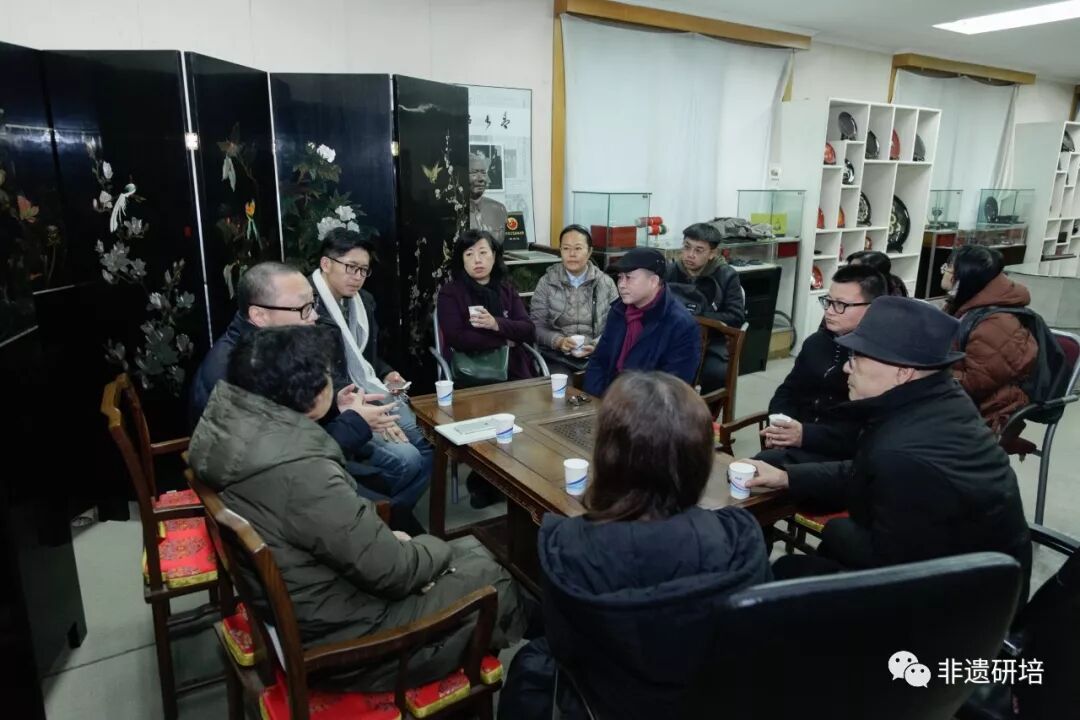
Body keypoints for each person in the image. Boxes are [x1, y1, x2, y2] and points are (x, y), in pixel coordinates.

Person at [188, 325, 527, 692]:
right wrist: (431, 545)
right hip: (350, 645)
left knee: (448, 560)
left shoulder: (234, 436)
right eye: (327, 374)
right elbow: (396, 571)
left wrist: (398, 545)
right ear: (313, 395)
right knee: (493, 576)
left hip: (310, 604)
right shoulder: (301, 473)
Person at [498, 372, 771, 720]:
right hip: (709, 700)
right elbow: (753, 639)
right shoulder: (741, 537)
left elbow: (565, 648)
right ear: (702, 459)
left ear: (606, 457)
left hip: (604, 702)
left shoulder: (563, 545)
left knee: (531, 660)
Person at [740, 297, 1032, 592]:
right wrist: (786, 477)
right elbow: (864, 471)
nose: (846, 368)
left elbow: (890, 567)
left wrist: (834, 530)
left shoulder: (902, 449)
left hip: (957, 599)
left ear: (903, 371)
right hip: (976, 572)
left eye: (857, 358)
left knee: (784, 576)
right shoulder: (941, 398)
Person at [188, 262, 417, 528]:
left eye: (313, 304)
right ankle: (385, 525)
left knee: (406, 463)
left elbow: (291, 427)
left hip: (281, 469)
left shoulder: (262, 350)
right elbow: (292, 463)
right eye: (303, 308)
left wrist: (336, 406)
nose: (314, 316)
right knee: (405, 466)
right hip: (273, 497)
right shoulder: (239, 371)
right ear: (259, 315)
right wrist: (354, 422)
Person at [311, 229, 433, 530]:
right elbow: (318, 377)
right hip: (334, 411)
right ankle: (379, 518)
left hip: (368, 391)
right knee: (409, 459)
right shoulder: (307, 308)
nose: (358, 277)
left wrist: (386, 372)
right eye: (350, 267)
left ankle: (393, 514)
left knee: (431, 444)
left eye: (363, 270)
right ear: (326, 264)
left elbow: (365, 358)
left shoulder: (363, 301)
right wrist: (366, 411)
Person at [757, 265, 887, 467]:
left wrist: (805, 435)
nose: (829, 311)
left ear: (872, 308)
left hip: (840, 459)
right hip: (797, 442)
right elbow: (788, 390)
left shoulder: (880, 361)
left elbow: (866, 430)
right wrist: (781, 423)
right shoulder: (816, 342)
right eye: (828, 301)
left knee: (759, 467)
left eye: (840, 304)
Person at [941, 244, 1037, 436]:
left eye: (948, 268)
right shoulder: (966, 305)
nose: (944, 272)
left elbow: (977, 382)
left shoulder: (996, 324)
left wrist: (929, 373)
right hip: (959, 401)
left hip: (987, 414)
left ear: (964, 277)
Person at [584, 247, 701, 397]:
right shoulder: (619, 311)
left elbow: (673, 387)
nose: (621, 284)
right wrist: (597, 398)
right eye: (620, 277)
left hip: (649, 405)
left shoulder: (680, 324)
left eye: (629, 278)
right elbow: (599, 361)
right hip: (610, 397)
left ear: (653, 281)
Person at [437, 229, 538, 383]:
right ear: (462, 260)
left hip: (513, 368)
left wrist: (496, 324)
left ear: (494, 255)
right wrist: (504, 341)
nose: (477, 260)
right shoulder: (450, 293)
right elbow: (457, 338)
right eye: (469, 254)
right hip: (469, 371)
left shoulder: (506, 290)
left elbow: (528, 329)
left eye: (483, 252)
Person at [665, 222, 745, 392]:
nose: (690, 255)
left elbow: (736, 317)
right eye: (687, 247)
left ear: (712, 254)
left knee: (716, 373)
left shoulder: (726, 275)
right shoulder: (671, 271)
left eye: (698, 250)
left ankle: (707, 409)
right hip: (673, 338)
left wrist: (699, 317)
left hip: (712, 341)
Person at [528, 224, 618, 376]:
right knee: (561, 384)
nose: (572, 254)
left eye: (578, 248)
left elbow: (616, 326)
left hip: (597, 355)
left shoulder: (606, 283)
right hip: (557, 357)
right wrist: (558, 341)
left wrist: (596, 345)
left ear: (589, 251)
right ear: (560, 251)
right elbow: (536, 327)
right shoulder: (547, 282)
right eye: (566, 248)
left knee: (602, 381)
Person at [468, 151, 508, 243]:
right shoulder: (455, 212)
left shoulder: (499, 209)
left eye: (483, 173)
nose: (481, 179)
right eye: (474, 173)